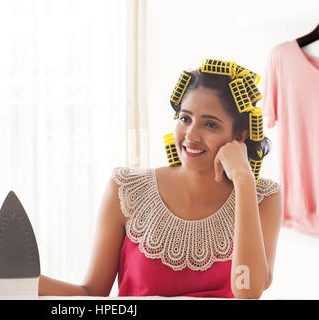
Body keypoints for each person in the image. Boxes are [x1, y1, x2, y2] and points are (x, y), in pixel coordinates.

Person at [17, 59, 282, 299]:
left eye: (210, 124)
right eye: (185, 118)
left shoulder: (264, 197)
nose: (191, 134)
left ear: (240, 136)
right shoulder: (126, 189)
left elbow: (248, 291)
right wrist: (25, 281)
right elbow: (92, 293)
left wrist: (244, 180)